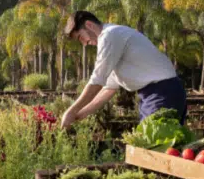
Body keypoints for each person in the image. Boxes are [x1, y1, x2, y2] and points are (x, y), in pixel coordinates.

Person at [59, 10, 187, 128]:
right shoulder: (113, 40)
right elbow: (109, 89)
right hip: (160, 94)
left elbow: (96, 81)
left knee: (151, 149)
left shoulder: (109, 35)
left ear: (89, 25)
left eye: (81, 37)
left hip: (161, 94)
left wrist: (71, 111)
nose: (85, 43)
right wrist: (79, 115)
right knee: (163, 148)